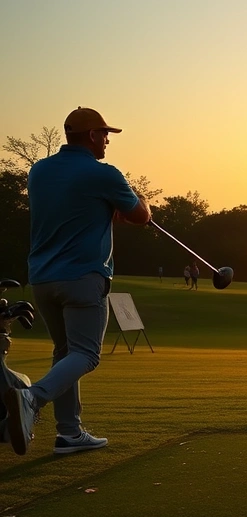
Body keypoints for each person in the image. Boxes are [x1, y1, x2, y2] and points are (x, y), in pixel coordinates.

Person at [3, 107, 151, 456]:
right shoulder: (104, 174)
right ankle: (31, 399)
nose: (107, 140)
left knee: (65, 352)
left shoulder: (39, 171)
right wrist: (140, 201)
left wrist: (104, 209)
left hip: (41, 278)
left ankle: (69, 433)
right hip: (83, 276)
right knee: (86, 354)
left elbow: (75, 208)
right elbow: (139, 216)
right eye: (104, 134)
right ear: (91, 136)